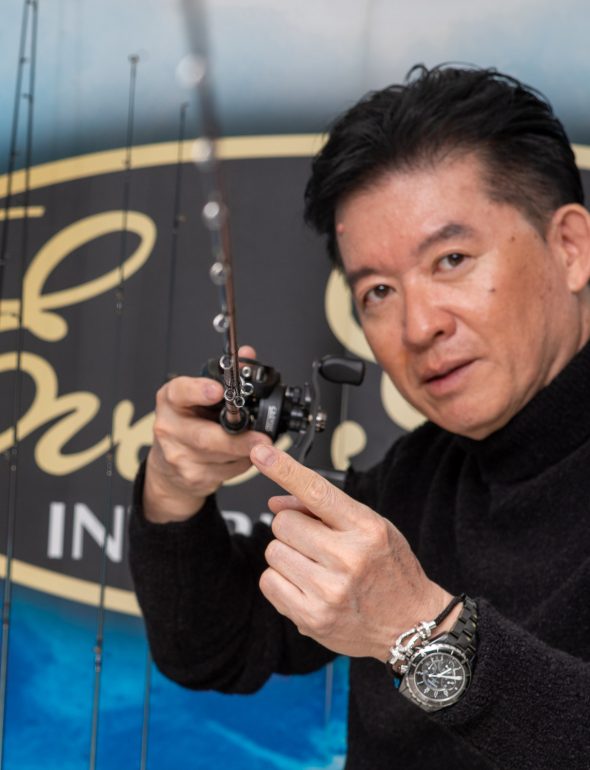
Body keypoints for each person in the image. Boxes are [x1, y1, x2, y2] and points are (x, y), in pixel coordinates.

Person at [129, 64, 590, 768]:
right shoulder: (415, 476)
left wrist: (420, 630)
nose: (418, 326)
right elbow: (213, 649)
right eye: (377, 291)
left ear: (571, 248)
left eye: (452, 259)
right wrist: (173, 490)